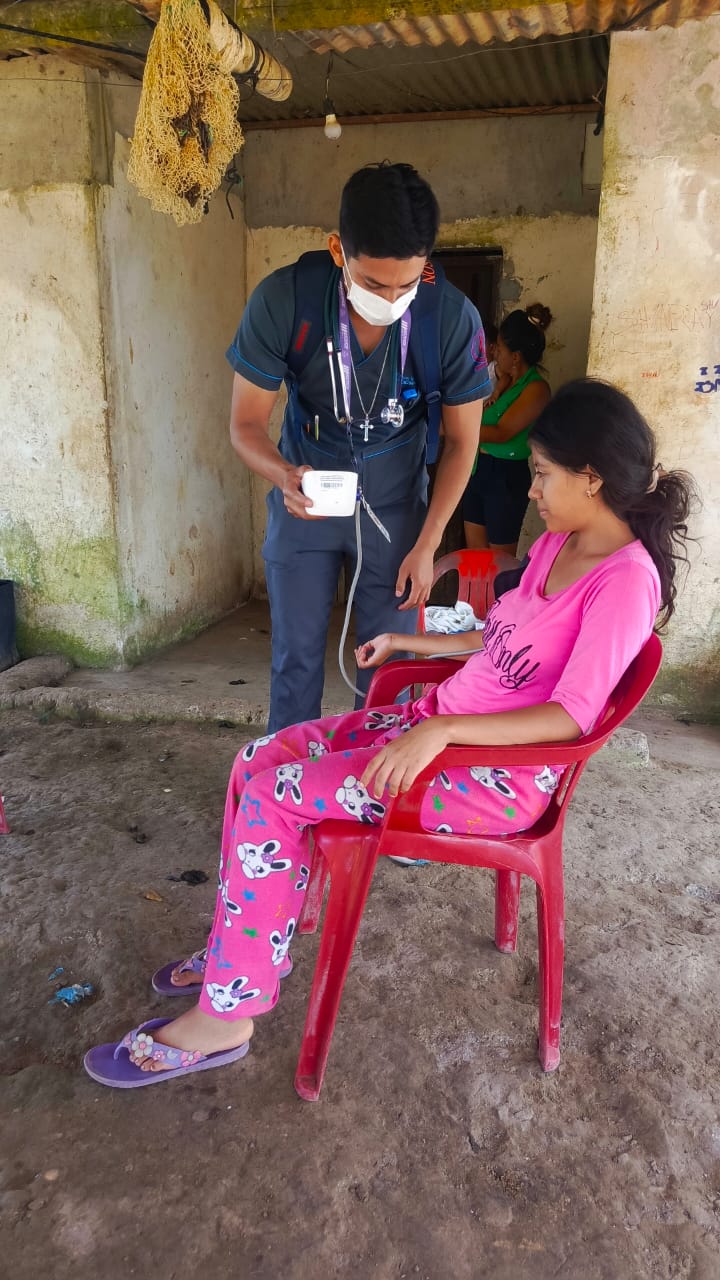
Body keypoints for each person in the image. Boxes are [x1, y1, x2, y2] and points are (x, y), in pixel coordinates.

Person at [83, 378, 695, 1088]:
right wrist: (413, 644)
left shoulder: (624, 582)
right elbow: (501, 640)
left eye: (542, 474)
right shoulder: (560, 543)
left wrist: (442, 734)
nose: (532, 491)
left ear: (591, 478)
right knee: (257, 760)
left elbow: (572, 715)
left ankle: (227, 1017)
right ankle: (247, 948)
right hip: (435, 731)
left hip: (488, 777)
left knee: (275, 797)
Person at [224, 162, 491, 733]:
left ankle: (370, 776)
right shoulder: (285, 301)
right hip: (308, 501)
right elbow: (244, 425)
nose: (391, 299)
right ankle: (288, 773)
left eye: (406, 284)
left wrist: (428, 543)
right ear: (338, 251)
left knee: (388, 667)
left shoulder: (449, 319)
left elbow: (463, 441)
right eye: (373, 284)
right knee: (295, 660)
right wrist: (282, 475)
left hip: (397, 515)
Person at [463, 303, 553, 556]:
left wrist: (455, 428)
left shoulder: (536, 389)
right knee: (476, 556)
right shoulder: (504, 382)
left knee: (499, 559)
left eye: (500, 348)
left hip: (505, 477)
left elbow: (502, 432)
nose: (495, 352)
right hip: (478, 468)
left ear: (515, 356)